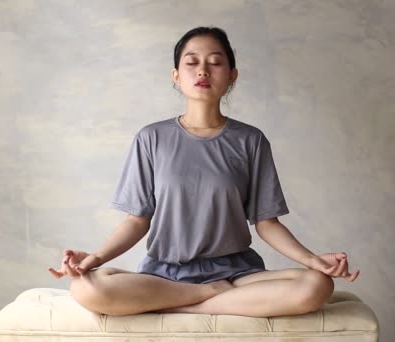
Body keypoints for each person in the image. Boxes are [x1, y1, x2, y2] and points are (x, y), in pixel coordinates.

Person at [48, 26, 360, 317]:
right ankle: (207, 295)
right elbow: (136, 221)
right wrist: (93, 259)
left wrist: (313, 260)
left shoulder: (251, 140)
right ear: (176, 75)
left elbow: (266, 223)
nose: (202, 70)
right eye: (192, 62)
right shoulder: (151, 138)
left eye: (215, 62)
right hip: (165, 274)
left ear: (232, 75)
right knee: (85, 287)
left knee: (317, 285)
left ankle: (184, 305)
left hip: (237, 274)